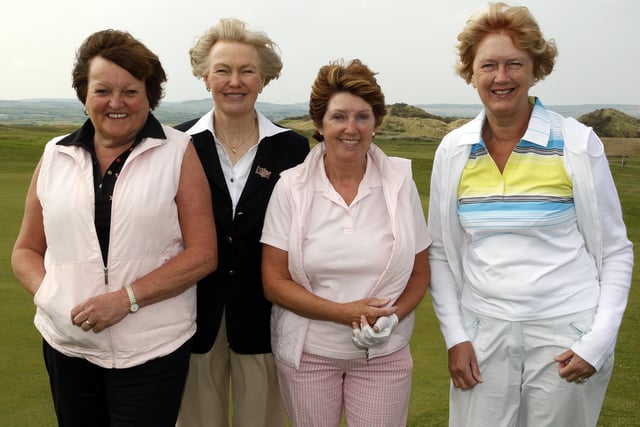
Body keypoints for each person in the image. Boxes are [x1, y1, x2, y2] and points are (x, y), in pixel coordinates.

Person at [427, 3, 634, 427]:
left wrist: (597, 341)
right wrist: (456, 336)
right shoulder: (453, 150)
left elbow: (616, 251)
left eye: (514, 64)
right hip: (483, 334)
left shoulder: (577, 143)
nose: (501, 77)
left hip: (566, 332)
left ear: (536, 69)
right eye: (488, 65)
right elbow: (441, 253)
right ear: (471, 72)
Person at [10, 29, 217, 426]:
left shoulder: (177, 151)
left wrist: (125, 299)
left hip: (153, 348)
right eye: (103, 90)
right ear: (84, 95)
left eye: (131, 91)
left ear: (149, 95)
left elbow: (203, 254)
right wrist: (52, 295)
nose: (116, 103)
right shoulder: (55, 155)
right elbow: (25, 251)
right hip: (67, 345)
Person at [261, 58, 431, 427]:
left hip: (385, 354)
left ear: (376, 122)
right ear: (320, 124)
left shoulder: (400, 181)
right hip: (308, 355)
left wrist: (393, 317)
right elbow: (274, 282)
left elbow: (420, 272)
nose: (351, 128)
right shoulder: (291, 187)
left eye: (362, 117)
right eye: (338, 117)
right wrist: (345, 313)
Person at [175, 18, 309, 427]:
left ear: (264, 79)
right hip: (192, 318)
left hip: (265, 319)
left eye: (247, 70)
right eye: (222, 70)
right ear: (204, 78)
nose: (235, 81)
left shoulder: (292, 148)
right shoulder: (176, 144)